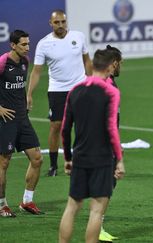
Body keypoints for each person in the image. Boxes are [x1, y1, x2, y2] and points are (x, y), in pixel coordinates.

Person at [58, 49, 125, 243]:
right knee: (96, 211)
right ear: (110, 65)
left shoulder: (75, 91)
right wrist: (119, 160)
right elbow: (112, 128)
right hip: (102, 158)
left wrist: (68, 159)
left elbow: (64, 129)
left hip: (79, 156)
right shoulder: (111, 91)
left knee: (71, 208)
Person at [27, 9, 92, 177]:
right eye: (57, 22)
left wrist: (94, 82)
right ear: (51, 23)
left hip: (80, 87)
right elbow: (36, 71)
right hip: (57, 90)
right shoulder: (44, 44)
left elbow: (87, 60)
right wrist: (29, 94)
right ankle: (54, 165)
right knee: (56, 126)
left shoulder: (78, 36)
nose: (61, 25)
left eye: (63, 22)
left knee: (82, 125)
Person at [0, 30, 44, 217]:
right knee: (4, 162)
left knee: (37, 158)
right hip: (6, 120)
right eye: (24, 44)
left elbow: (19, 85)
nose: (28, 47)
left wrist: (27, 98)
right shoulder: (2, 63)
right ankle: (2, 205)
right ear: (13, 45)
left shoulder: (25, 63)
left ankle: (27, 201)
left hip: (22, 119)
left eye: (28, 43)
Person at [97, 45, 123, 242]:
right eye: (120, 63)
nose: (121, 66)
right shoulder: (108, 86)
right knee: (105, 187)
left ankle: (98, 226)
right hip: (104, 143)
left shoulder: (101, 82)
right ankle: (97, 228)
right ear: (114, 63)